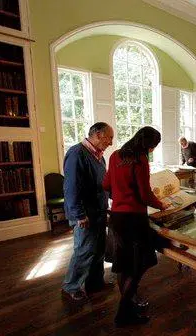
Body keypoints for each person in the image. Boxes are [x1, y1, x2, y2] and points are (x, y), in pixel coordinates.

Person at [103, 126, 171, 326]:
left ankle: (128, 306)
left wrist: (120, 192)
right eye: (153, 146)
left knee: (123, 265)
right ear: (148, 144)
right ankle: (124, 313)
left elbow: (106, 185)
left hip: (116, 218)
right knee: (137, 266)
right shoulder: (140, 160)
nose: (153, 150)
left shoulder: (115, 155)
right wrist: (161, 204)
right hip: (134, 219)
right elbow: (144, 194)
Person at [61, 122, 114, 303]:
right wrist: (78, 215)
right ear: (98, 135)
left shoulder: (100, 156)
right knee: (84, 251)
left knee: (98, 250)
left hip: (99, 211)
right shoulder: (77, 154)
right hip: (85, 214)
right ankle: (71, 287)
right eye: (109, 138)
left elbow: (103, 183)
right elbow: (71, 188)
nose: (111, 143)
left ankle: (95, 283)